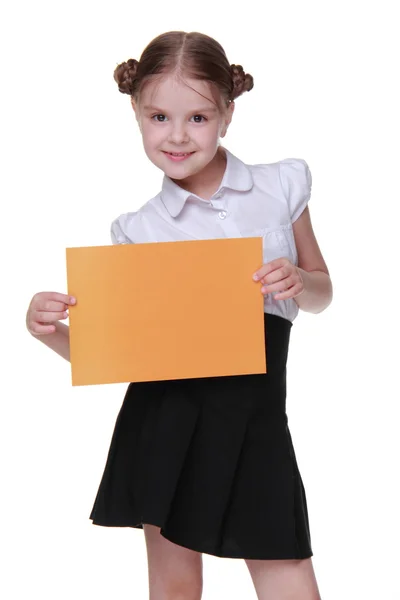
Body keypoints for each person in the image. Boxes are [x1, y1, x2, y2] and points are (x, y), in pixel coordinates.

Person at [25, 30, 332, 600]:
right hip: (166, 419)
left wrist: (299, 280)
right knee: (173, 584)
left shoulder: (280, 186)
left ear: (227, 113)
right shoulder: (138, 230)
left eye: (197, 117)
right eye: (159, 116)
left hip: (256, 418)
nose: (176, 135)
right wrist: (49, 331)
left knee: (288, 574)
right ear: (138, 115)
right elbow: (118, 352)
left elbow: (322, 291)